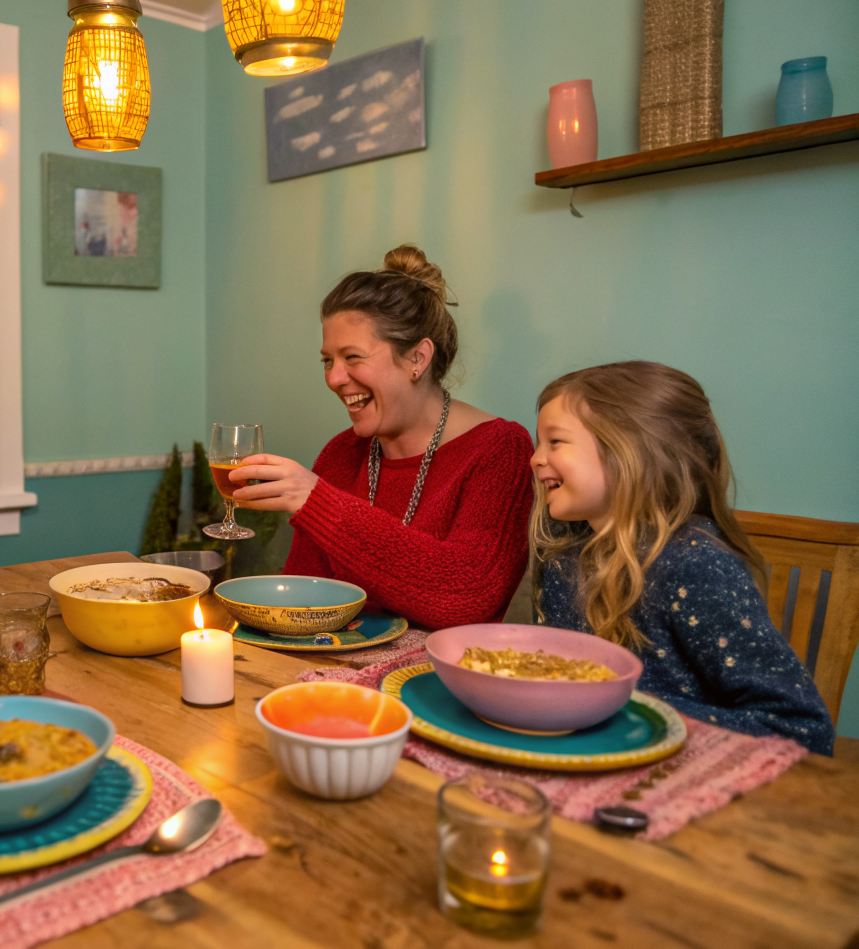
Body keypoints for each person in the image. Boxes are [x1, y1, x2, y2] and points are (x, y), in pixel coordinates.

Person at [529, 361, 833, 755]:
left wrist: (628, 709)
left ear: (631, 449)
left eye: (555, 442)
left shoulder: (696, 565)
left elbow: (802, 730)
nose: (536, 458)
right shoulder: (560, 546)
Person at [229, 245, 534, 628]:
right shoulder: (342, 453)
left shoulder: (499, 449)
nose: (334, 378)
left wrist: (318, 502)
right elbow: (305, 600)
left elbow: (467, 597)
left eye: (353, 357)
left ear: (417, 359)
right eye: (328, 360)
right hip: (334, 674)